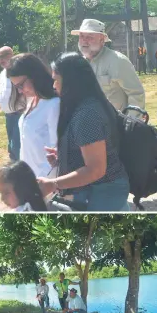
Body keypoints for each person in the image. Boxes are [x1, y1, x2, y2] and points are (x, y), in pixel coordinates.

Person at [37, 53, 130, 212]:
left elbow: (96, 169)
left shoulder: (87, 114)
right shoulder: (87, 106)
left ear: (71, 81)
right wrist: (66, 156)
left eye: (56, 80)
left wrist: (52, 184)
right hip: (102, 191)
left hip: (104, 192)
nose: (53, 86)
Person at [72, 19, 145, 115]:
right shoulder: (78, 64)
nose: (84, 41)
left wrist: (129, 124)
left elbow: (136, 94)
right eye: (82, 36)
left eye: (90, 36)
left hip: (115, 125)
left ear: (102, 40)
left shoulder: (118, 61)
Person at [7, 53, 60, 178]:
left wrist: (45, 182)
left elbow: (57, 151)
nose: (20, 91)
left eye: (21, 85)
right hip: (30, 180)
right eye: (16, 87)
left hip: (47, 182)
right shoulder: (32, 101)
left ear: (35, 76)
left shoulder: (54, 104)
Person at [0, 46, 25, 161]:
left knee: (17, 147)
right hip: (9, 117)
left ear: (12, 55)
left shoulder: (20, 72)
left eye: (4, 55)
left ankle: (22, 173)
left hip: (19, 115)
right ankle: (14, 172)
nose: (1, 59)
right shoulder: (2, 74)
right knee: (11, 148)